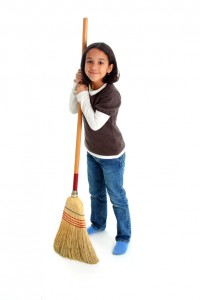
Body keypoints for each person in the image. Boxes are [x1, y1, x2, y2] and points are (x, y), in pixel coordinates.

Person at [69, 42, 131, 255]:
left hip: (112, 155)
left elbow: (94, 123)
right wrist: (76, 86)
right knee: (95, 192)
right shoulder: (85, 88)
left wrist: (82, 94)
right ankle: (98, 224)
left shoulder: (111, 95)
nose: (93, 66)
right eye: (89, 61)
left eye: (100, 62)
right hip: (92, 151)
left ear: (110, 68)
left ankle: (123, 236)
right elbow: (72, 109)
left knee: (116, 195)